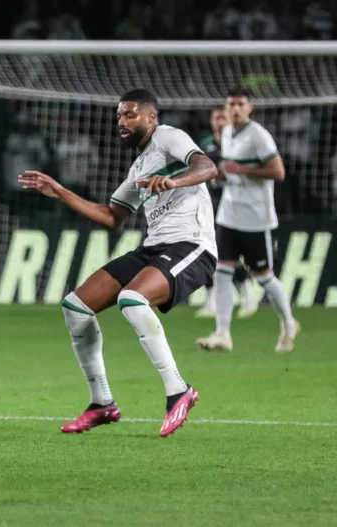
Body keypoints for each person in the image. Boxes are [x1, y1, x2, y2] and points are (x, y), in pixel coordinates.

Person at [19, 89, 218, 437]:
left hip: (192, 244)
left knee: (133, 299)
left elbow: (207, 166)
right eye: (119, 117)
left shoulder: (168, 137)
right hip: (154, 247)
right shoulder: (139, 168)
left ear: (151, 118)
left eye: (129, 115)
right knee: (76, 306)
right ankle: (102, 404)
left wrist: (173, 180)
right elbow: (112, 216)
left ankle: (178, 391)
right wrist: (61, 192)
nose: (122, 122)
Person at [196, 88, 299, 353]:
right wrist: (221, 176)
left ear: (250, 107)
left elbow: (278, 171)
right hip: (229, 215)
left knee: (264, 277)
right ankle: (222, 334)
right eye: (231, 105)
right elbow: (232, 173)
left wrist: (242, 170)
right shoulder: (228, 133)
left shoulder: (259, 136)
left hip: (255, 219)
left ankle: (288, 323)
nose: (236, 109)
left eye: (241, 104)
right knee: (221, 272)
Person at [195, 105, 258, 319]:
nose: (219, 121)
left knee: (235, 251)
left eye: (223, 116)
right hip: (212, 204)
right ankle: (211, 301)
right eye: (216, 117)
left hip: (237, 202)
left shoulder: (240, 142)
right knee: (210, 250)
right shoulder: (204, 145)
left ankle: (248, 296)